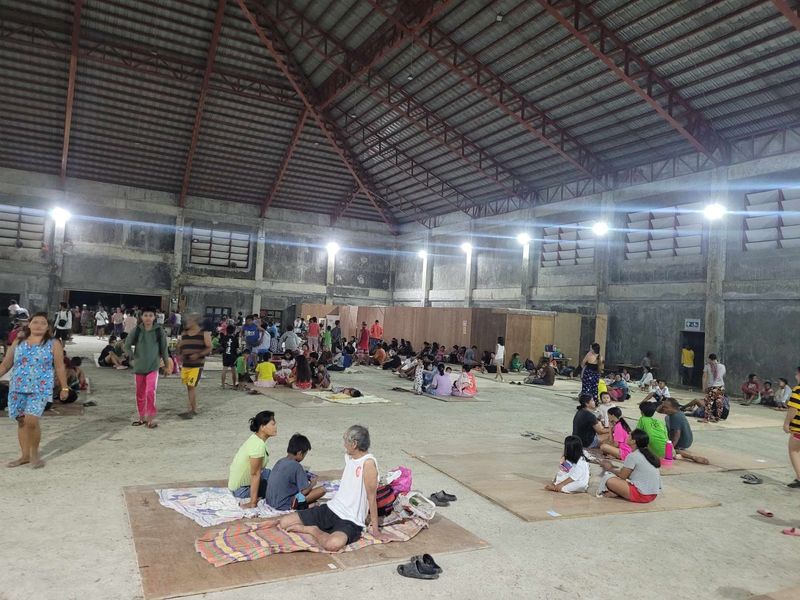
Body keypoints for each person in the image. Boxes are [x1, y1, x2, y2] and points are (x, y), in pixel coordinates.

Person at [277, 425, 387, 550]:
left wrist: (376, 530)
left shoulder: (368, 464)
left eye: (346, 441)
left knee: (332, 544)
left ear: (354, 444)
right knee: (284, 522)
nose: (344, 444)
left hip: (350, 519)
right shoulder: (349, 457)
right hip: (332, 508)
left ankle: (313, 530)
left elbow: (371, 498)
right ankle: (316, 529)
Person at [0, 312, 69, 468]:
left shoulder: (53, 343)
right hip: (17, 387)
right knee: (21, 421)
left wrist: (64, 387)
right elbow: (5, 365)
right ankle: (24, 456)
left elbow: (59, 366)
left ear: (48, 327)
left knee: (31, 420)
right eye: (35, 322)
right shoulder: (18, 342)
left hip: (40, 388)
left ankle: (34, 454)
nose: (39, 325)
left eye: (43, 323)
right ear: (29, 324)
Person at [124, 307, 170, 429]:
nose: (148, 318)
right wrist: (132, 357)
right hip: (139, 367)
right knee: (139, 393)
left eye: (150, 315)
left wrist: (167, 365)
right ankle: (141, 417)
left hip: (153, 367)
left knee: (150, 391)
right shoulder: (137, 330)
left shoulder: (159, 331)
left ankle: (150, 418)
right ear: (141, 317)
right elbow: (127, 345)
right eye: (145, 315)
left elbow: (164, 350)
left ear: (154, 317)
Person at [597, 429, 661, 503]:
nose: (627, 436)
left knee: (608, 478)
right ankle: (617, 493)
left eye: (630, 435)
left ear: (633, 441)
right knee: (615, 478)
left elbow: (622, 476)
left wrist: (610, 468)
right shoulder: (649, 455)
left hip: (642, 495)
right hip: (652, 495)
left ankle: (617, 493)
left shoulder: (632, 456)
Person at [228, 411, 277, 507]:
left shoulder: (257, 439)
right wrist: (253, 502)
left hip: (241, 486)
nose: (276, 427)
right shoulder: (257, 446)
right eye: (273, 424)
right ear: (262, 427)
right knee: (282, 486)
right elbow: (255, 474)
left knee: (276, 475)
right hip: (241, 491)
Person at [266, 434, 326, 511]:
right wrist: (312, 484)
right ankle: (303, 506)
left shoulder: (280, 461)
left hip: (270, 502)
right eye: (304, 454)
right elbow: (304, 492)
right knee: (322, 490)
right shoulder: (297, 466)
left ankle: (305, 505)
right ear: (300, 453)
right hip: (284, 504)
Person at [177, 314, 212, 419]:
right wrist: (180, 353)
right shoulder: (184, 334)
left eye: (189, 320)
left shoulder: (204, 334)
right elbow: (180, 347)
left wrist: (198, 354)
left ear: (195, 321)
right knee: (189, 386)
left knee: (191, 386)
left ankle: (192, 410)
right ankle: (192, 408)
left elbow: (209, 347)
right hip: (186, 364)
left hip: (197, 365)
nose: (187, 322)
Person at [659, 398, 708, 464]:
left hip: (682, 443)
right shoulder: (678, 412)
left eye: (666, 407)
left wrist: (671, 448)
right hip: (688, 440)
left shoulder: (675, 417)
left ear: (673, 408)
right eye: (663, 407)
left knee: (667, 448)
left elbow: (677, 435)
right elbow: (659, 410)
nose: (664, 409)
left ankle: (689, 456)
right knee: (667, 418)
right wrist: (662, 405)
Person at [784, 367, 800, 488]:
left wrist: (786, 423)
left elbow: (793, 409)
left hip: (798, 428)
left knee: (793, 451)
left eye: (797, 374)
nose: (795, 376)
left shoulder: (798, 390)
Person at [701, 353, 726, 422]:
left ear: (709, 359)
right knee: (719, 402)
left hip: (713, 387)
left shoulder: (708, 366)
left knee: (708, 401)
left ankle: (706, 418)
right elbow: (722, 376)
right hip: (721, 387)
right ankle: (717, 417)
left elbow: (704, 376)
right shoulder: (722, 366)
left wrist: (704, 387)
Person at [219, 324, 239, 389]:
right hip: (233, 356)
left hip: (225, 355)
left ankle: (223, 385)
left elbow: (222, 347)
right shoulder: (235, 339)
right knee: (233, 371)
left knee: (224, 369)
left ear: (227, 330)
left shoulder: (224, 338)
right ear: (233, 331)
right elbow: (237, 349)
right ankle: (234, 385)